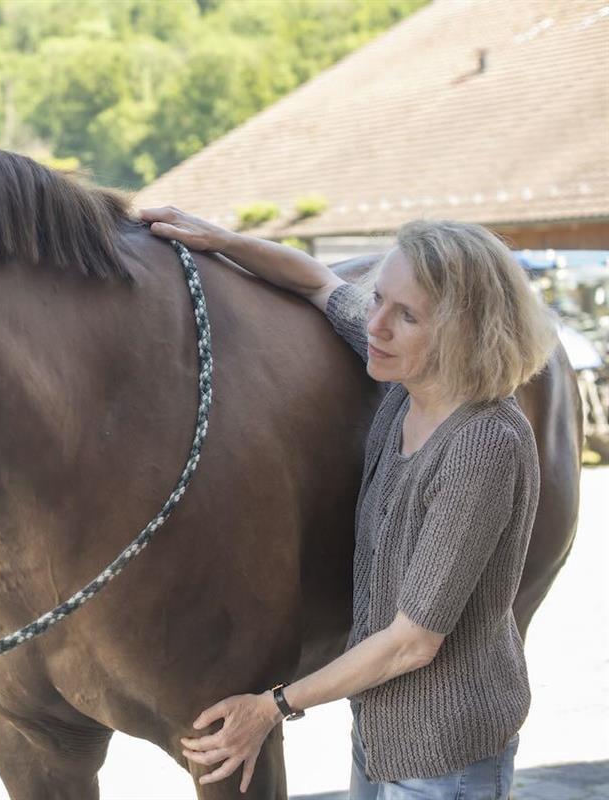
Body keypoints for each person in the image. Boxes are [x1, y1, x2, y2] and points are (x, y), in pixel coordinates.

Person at [140, 208, 555, 798]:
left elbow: (413, 640)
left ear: (464, 333)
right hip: (383, 732)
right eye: (380, 298)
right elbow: (317, 281)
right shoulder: (408, 376)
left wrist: (272, 707)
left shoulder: (481, 445)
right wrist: (221, 241)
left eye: (405, 315)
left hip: (448, 754)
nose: (377, 325)